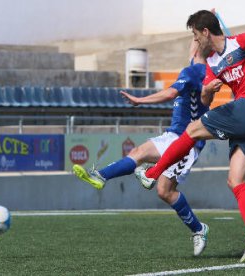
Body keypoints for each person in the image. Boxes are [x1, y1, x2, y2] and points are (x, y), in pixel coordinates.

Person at [136, 10, 245, 263]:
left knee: (191, 130)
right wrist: (206, 91)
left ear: (205, 32)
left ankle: (152, 173)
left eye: (194, 34)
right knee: (235, 180)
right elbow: (206, 99)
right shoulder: (212, 63)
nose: (195, 40)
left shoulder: (241, 42)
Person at [73, 41, 213, 256]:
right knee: (140, 157)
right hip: (173, 135)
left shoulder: (197, 71)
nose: (191, 41)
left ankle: (198, 229)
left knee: (165, 191)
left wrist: (140, 100)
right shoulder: (197, 68)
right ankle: (100, 176)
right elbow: (195, 53)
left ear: (200, 44)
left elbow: (168, 94)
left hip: (188, 141)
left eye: (194, 36)